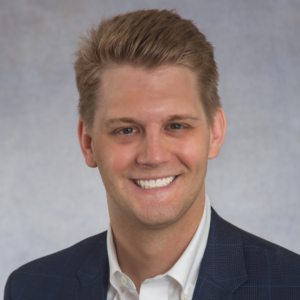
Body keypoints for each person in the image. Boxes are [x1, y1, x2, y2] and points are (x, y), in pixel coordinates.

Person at [4, 9, 300, 300]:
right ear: (87, 142)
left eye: (176, 125)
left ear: (215, 132)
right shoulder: (31, 289)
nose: (154, 156)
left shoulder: (291, 285)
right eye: (126, 130)